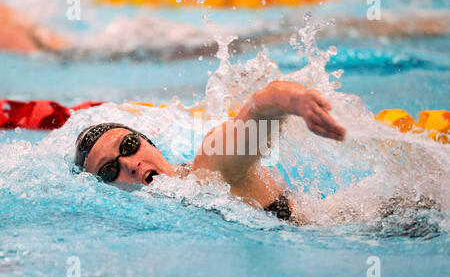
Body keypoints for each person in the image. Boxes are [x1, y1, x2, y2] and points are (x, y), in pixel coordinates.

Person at [75, 80, 346, 225]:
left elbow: (259, 108)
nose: (130, 165)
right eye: (110, 170)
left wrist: (295, 100)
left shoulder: (209, 169)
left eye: (129, 146)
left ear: (149, 143)